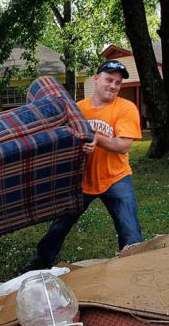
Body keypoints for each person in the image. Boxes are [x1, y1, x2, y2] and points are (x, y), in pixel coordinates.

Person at [24, 60, 143, 271]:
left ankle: (133, 266)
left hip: (116, 178)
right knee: (60, 224)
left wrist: (95, 137)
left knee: (129, 229)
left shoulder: (126, 108)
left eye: (117, 82)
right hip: (82, 180)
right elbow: (67, 141)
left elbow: (123, 145)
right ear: (96, 79)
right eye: (109, 79)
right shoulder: (79, 109)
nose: (113, 86)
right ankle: (42, 259)